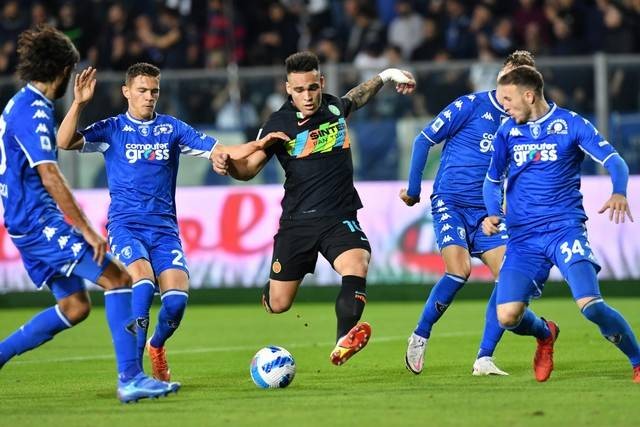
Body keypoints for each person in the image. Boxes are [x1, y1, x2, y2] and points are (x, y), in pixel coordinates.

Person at [56, 62, 287, 382]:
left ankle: (157, 346)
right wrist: (79, 102)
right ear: (126, 92)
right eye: (142, 91)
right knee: (143, 280)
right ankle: (133, 372)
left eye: (154, 91)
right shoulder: (112, 129)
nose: (149, 97)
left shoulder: (172, 129)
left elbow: (223, 150)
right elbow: (65, 142)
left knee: (176, 303)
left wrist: (261, 144)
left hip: (164, 231)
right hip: (126, 227)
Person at [0, 25, 179, 403]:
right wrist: (88, 230)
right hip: (38, 223)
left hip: (22, 223)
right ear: (64, 71)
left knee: (75, 306)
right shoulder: (32, 110)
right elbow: (50, 173)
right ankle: (131, 378)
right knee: (118, 278)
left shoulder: (19, 103)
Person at [213, 51, 415, 365]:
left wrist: (387, 76)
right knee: (278, 304)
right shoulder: (278, 123)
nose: (307, 96)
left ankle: (343, 340)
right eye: (298, 90)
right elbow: (249, 168)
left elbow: (357, 97)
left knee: (357, 263)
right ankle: (272, 289)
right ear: (287, 89)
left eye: (312, 88)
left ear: (320, 82)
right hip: (298, 223)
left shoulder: (334, 107)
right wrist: (230, 167)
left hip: (339, 217)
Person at [483, 65, 640, 382]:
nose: (505, 107)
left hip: (564, 230)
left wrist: (619, 191)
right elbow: (491, 180)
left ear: (529, 95)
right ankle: (545, 334)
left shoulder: (570, 124)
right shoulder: (506, 132)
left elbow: (615, 161)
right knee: (508, 316)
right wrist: (491, 212)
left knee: (591, 305)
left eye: (509, 100)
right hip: (523, 239)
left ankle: (637, 360)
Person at [400, 50, 536, 376]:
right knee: (458, 271)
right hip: (451, 202)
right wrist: (415, 190)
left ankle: (484, 358)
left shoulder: (526, 124)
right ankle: (420, 334)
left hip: (489, 212)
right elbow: (423, 140)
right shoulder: (470, 105)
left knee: (510, 280)